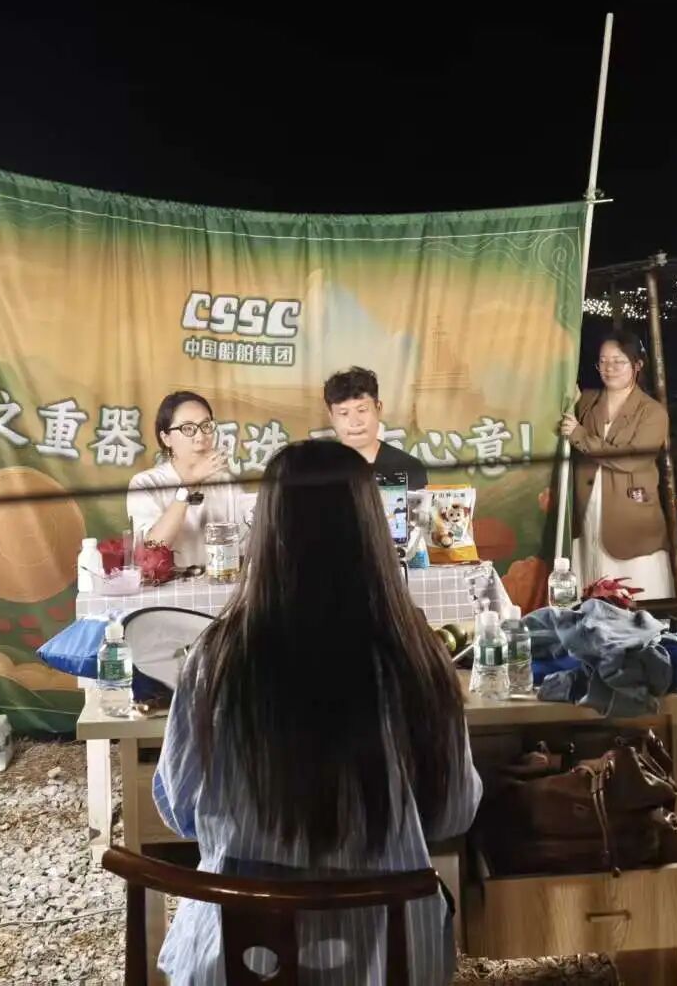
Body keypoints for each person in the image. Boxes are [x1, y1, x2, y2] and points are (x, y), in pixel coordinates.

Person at [152, 439, 481, 985]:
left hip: (238, 961)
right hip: (389, 961)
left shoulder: (218, 657)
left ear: (268, 532)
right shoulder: (414, 657)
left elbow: (182, 810)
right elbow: (452, 814)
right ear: (373, 530)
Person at [558, 332, 675, 599]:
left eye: (618, 361)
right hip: (588, 509)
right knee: (590, 586)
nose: (609, 368)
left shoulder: (652, 412)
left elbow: (631, 460)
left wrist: (579, 435)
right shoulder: (587, 401)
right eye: (603, 361)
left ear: (637, 365)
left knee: (636, 594)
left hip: (630, 516)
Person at [125, 391, 255, 567]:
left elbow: (247, 545)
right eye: (187, 429)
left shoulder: (225, 483)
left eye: (206, 426)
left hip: (219, 581)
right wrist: (188, 487)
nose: (200, 437)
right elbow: (150, 550)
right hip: (169, 584)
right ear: (166, 438)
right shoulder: (146, 483)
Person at [323, 366, 427, 489]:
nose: (355, 422)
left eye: (362, 410)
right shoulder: (319, 470)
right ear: (331, 417)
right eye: (344, 413)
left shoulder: (408, 467)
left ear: (378, 409)